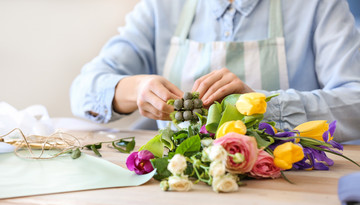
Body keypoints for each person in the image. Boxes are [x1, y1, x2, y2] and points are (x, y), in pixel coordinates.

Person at [70, 0, 360, 143]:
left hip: (285, 182)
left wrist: (262, 106)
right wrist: (136, 90)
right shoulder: (161, 6)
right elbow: (84, 89)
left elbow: (355, 101)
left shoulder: (318, 6)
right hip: (177, 184)